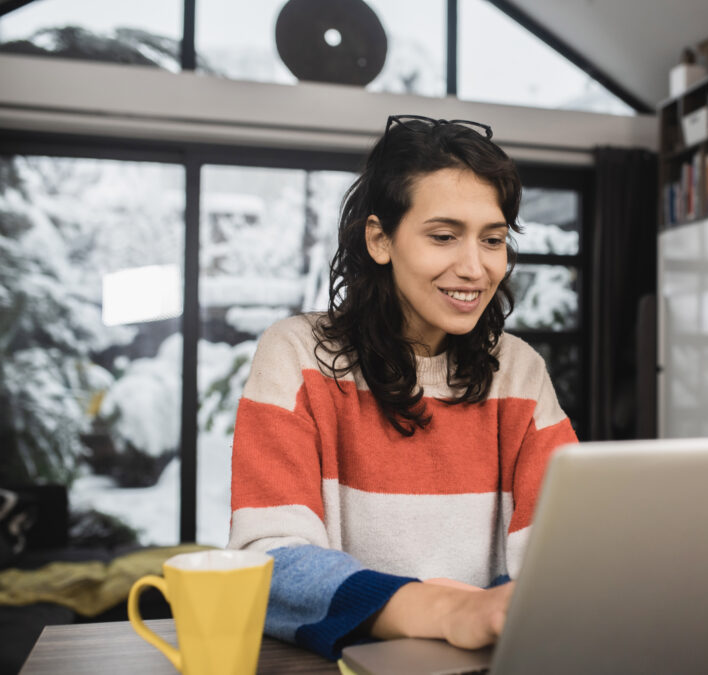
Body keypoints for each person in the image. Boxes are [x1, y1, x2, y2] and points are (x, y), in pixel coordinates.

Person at [228, 115, 578, 660]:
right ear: (380, 239)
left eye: (492, 240)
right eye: (443, 237)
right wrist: (445, 611)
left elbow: (563, 558)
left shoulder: (519, 372)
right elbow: (269, 565)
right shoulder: (295, 356)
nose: (474, 267)